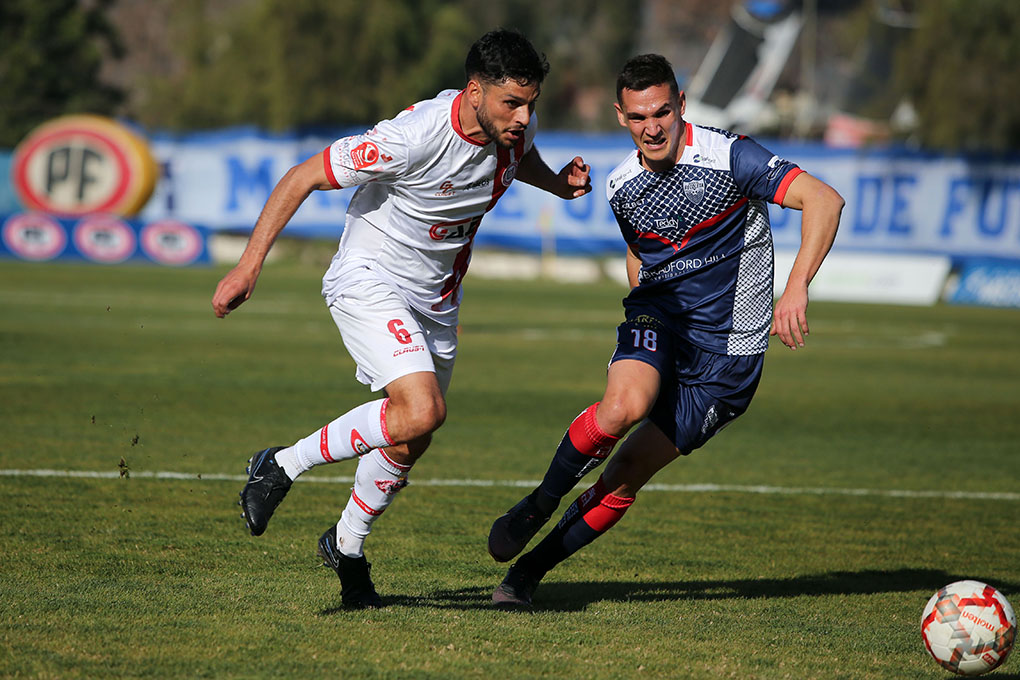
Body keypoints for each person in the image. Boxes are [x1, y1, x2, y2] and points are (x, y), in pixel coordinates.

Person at [211, 28, 591, 608]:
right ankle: (281, 464)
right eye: (511, 103)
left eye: (530, 103)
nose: (522, 116)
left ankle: (347, 549)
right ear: (472, 92)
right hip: (369, 280)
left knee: (412, 435)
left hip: (437, 300)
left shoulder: (517, 129)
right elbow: (303, 176)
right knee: (421, 409)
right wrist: (247, 267)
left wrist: (558, 184)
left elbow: (520, 160)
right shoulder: (411, 138)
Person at [487, 54, 844, 607]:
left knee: (627, 473)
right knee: (622, 407)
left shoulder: (730, 156)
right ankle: (538, 502)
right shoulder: (622, 184)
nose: (650, 128)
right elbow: (640, 253)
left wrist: (795, 287)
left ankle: (530, 571)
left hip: (728, 356)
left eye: (660, 113)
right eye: (636, 117)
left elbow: (823, 198)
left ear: (680, 105)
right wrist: (640, 311)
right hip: (659, 317)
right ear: (620, 116)